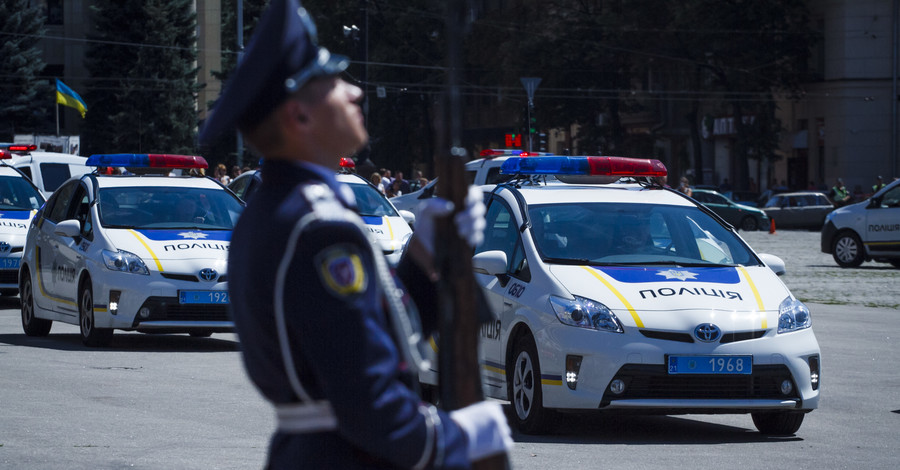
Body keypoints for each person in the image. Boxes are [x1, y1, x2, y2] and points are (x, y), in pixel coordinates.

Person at [198, 1, 512, 468]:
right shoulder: (318, 229)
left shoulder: (275, 211)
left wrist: (421, 259)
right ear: (299, 117)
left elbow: (362, 339)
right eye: (335, 83)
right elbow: (370, 402)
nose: (356, 92)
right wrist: (458, 436)